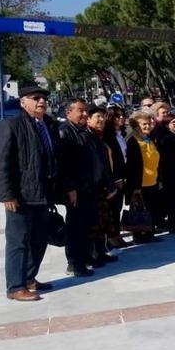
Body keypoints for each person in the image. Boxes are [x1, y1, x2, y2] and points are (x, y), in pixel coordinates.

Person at [0, 86, 58, 301]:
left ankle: (30, 278)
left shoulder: (48, 125)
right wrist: (7, 194)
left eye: (43, 98)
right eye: (35, 98)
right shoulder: (10, 125)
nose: (41, 101)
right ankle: (15, 286)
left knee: (39, 240)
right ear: (23, 102)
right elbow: (2, 163)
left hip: (43, 194)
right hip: (21, 195)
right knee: (18, 242)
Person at [57, 99, 103, 277]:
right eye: (81, 111)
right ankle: (75, 263)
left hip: (88, 188)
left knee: (87, 225)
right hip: (76, 190)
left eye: (86, 111)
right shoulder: (65, 132)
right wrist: (70, 188)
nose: (85, 114)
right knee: (76, 227)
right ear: (69, 113)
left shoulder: (83, 132)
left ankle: (85, 258)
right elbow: (64, 165)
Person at [85, 105, 119, 266]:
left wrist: (110, 185)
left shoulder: (101, 136)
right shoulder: (87, 137)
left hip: (104, 187)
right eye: (97, 117)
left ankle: (101, 251)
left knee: (103, 222)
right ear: (88, 119)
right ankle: (92, 255)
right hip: (93, 187)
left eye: (102, 117)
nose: (101, 120)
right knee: (93, 223)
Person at [151, 109, 175, 233]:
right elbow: (169, 159)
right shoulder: (168, 139)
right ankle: (173, 224)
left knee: (174, 200)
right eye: (173, 123)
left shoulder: (174, 137)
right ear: (168, 125)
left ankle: (173, 223)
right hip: (171, 175)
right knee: (172, 201)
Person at [125, 110, 161, 243]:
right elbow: (132, 166)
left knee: (150, 208)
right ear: (135, 125)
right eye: (143, 124)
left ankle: (149, 233)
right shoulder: (133, 141)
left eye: (148, 124)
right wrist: (135, 186)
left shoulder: (148, 138)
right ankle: (139, 235)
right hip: (140, 182)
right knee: (138, 209)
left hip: (152, 180)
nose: (147, 126)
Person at [103, 106, 130, 248]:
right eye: (117, 116)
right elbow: (111, 159)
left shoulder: (121, 134)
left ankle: (117, 234)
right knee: (112, 209)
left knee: (117, 208)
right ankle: (111, 237)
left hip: (124, 176)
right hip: (114, 178)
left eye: (122, 115)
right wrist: (117, 178)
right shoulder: (108, 135)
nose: (121, 118)